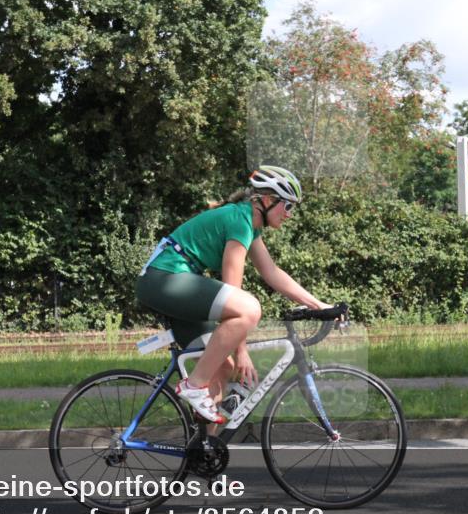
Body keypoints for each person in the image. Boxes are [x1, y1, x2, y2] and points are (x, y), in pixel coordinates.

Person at [135, 166, 334, 424]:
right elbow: (234, 293)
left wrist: (320, 305)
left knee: (222, 369)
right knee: (251, 307)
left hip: (169, 282)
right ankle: (193, 386)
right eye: (287, 206)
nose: (290, 215)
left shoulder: (249, 225)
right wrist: (241, 350)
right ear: (266, 200)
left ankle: (202, 452)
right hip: (164, 278)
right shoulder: (240, 221)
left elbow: (272, 273)